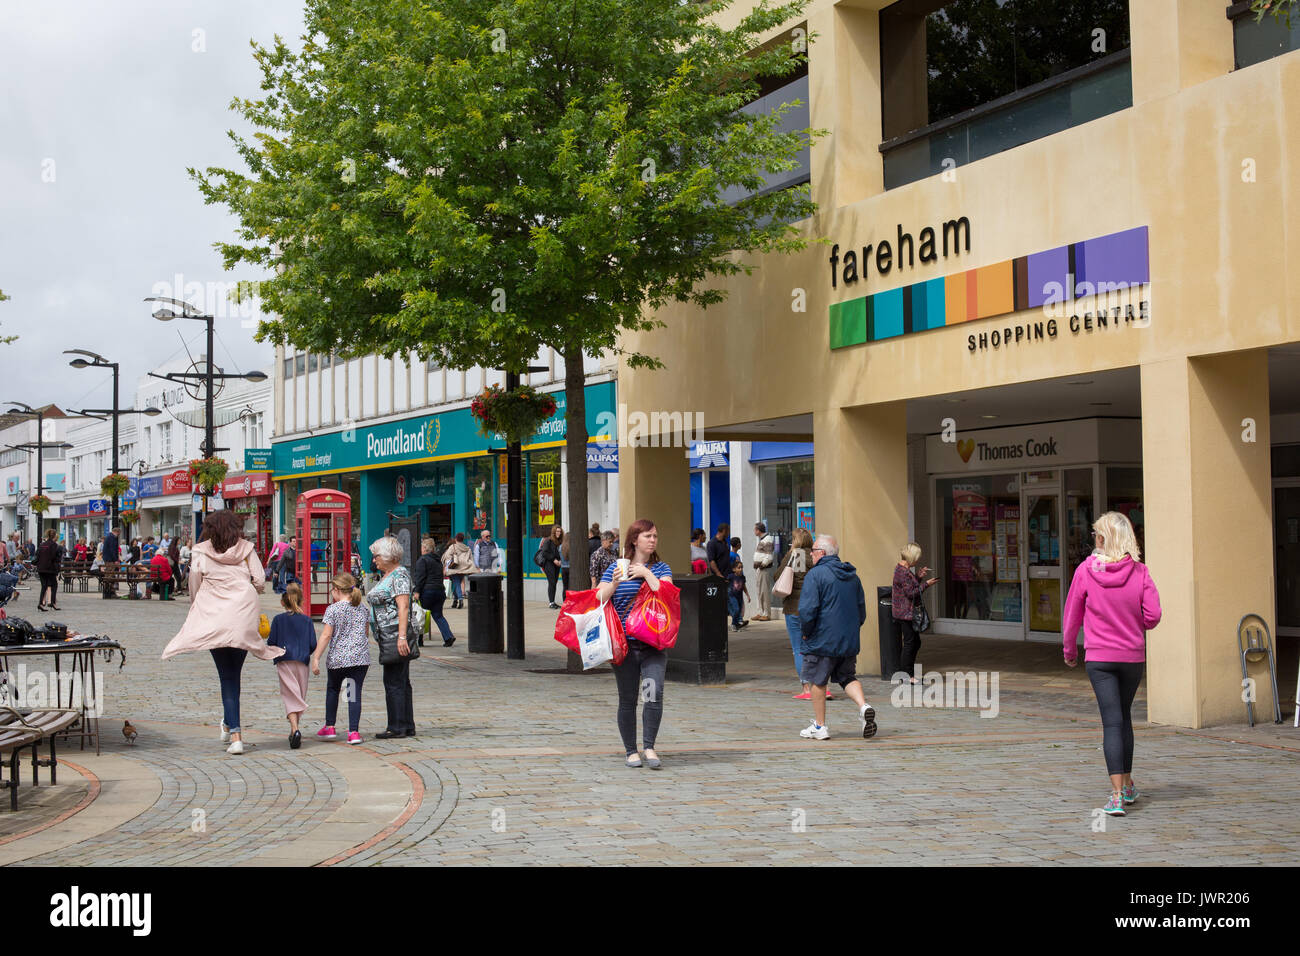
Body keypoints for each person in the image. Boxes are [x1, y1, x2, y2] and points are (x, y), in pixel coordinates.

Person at [1062, 511, 1162, 817]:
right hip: (1131, 657)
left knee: (1112, 721)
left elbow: (1072, 615)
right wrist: (1134, 623)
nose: (1094, 539)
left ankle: (1117, 795)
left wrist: (1069, 649)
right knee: (1123, 718)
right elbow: (1154, 615)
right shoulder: (1140, 572)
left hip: (1100, 659)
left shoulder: (1085, 571)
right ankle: (1127, 786)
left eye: (1096, 534)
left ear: (1104, 538)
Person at [161, 510, 283, 755]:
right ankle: (229, 724)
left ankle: (236, 734)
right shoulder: (246, 548)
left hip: (214, 617)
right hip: (242, 615)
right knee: (233, 674)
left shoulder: (200, 551)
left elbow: (194, 583)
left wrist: (198, 606)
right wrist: (245, 588)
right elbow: (260, 580)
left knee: (226, 676)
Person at [596, 519, 673, 770]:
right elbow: (598, 597)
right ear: (634, 540)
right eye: (648, 536)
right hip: (625, 647)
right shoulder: (615, 568)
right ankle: (631, 751)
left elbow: (668, 595)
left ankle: (649, 747)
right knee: (628, 698)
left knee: (653, 695)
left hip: (653, 646)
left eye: (655, 536)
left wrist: (646, 573)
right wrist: (616, 581)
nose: (653, 540)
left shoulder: (661, 568)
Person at [796, 534, 877, 740]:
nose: (811, 555)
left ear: (821, 553)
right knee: (847, 677)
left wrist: (806, 632)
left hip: (822, 640)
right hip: (847, 639)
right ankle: (863, 706)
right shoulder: (852, 576)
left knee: (817, 680)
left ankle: (820, 726)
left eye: (813, 551)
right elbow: (861, 611)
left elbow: (807, 610)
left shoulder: (815, 575)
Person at [368, 535, 418, 738]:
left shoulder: (399, 575)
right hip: (388, 634)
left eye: (376, 556)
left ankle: (396, 726)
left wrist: (402, 637)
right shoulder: (389, 575)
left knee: (394, 680)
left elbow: (403, 606)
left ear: (389, 556)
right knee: (400, 679)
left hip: (394, 633)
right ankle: (405, 724)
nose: (374, 560)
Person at [312, 573, 370, 745]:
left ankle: (330, 726)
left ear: (337, 590)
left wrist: (316, 658)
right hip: (359, 658)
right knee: (353, 694)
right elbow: (366, 633)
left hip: (338, 658)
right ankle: (353, 732)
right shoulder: (363, 608)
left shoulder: (333, 609)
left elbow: (326, 635)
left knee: (333, 690)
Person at [268, 581, 317, 749]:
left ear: (283, 601)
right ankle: (294, 729)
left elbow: (271, 642)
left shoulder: (277, 620)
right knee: (299, 695)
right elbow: (313, 644)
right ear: (301, 600)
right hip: (302, 661)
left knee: (290, 695)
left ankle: (295, 729)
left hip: (284, 659)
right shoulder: (307, 620)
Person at [776, 527, 815, 699]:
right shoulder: (814, 556)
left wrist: (789, 554)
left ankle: (807, 688)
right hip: (813, 608)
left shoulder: (797, 555)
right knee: (814, 648)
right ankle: (820, 685)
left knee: (799, 649)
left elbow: (779, 575)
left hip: (795, 607)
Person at [892, 543, 937, 684]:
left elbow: (910, 586)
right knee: (911, 643)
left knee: (915, 642)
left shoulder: (903, 569)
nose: (917, 561)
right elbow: (911, 593)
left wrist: (918, 577)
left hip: (905, 612)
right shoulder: (903, 572)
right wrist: (926, 584)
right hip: (905, 613)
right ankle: (906, 675)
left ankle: (908, 673)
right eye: (916, 558)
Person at [413, 536, 455, 647]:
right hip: (439, 591)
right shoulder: (438, 560)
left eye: (422, 547)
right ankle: (448, 637)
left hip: (427, 591)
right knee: (438, 615)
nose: (421, 549)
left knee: (421, 615)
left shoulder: (422, 560)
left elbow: (420, 578)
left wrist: (417, 591)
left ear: (425, 549)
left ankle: (419, 640)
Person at [442, 532, 474, 609]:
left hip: (454, 568)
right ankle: (455, 601)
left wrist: (445, 566)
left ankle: (460, 600)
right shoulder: (467, 548)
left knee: (456, 583)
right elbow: (471, 559)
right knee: (457, 584)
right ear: (463, 539)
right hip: (463, 569)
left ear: (456, 538)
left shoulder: (453, 547)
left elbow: (447, 556)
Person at [752, 522, 776, 621]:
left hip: (763, 569)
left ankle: (766, 613)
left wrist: (762, 565)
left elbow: (769, 556)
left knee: (764, 591)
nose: (754, 531)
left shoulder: (767, 539)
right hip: (760, 568)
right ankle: (760, 612)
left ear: (758, 530)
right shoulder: (763, 540)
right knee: (759, 591)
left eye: (755, 529)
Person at [35, 527, 62, 612]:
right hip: (50, 568)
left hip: (41, 568)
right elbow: (55, 557)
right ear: (54, 536)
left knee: (44, 586)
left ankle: (40, 603)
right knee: (54, 585)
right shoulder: (54, 545)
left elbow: (37, 555)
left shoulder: (42, 544)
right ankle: (52, 602)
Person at [540, 525, 564, 609]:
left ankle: (553, 601)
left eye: (560, 531)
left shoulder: (560, 541)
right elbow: (544, 552)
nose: (559, 533)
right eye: (557, 531)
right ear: (554, 532)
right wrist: (554, 559)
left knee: (554, 582)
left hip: (557, 564)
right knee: (552, 582)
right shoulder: (548, 541)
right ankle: (551, 602)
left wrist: (561, 560)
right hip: (549, 564)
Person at [726, 559, 749, 631]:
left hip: (739, 596)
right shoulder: (731, 576)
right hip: (732, 596)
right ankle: (733, 624)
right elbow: (726, 583)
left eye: (742, 567)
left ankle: (736, 624)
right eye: (739, 568)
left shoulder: (742, 577)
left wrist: (748, 595)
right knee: (736, 609)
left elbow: (744, 587)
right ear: (734, 569)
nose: (741, 569)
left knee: (738, 611)